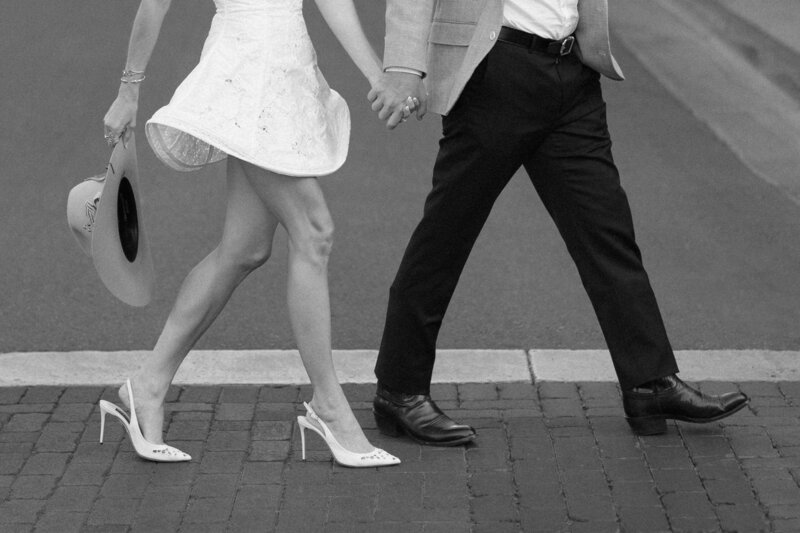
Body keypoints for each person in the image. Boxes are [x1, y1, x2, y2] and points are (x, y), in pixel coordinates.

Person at [366, 0, 749, 445]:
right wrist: (403, 68)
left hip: (573, 74)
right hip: (494, 71)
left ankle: (649, 383)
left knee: (608, 233)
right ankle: (399, 390)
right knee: (446, 237)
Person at [98, 0, 403, 467]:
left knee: (245, 248)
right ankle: (329, 405)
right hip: (247, 70)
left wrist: (377, 76)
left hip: (286, 67)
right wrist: (128, 89)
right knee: (315, 231)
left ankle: (147, 385)